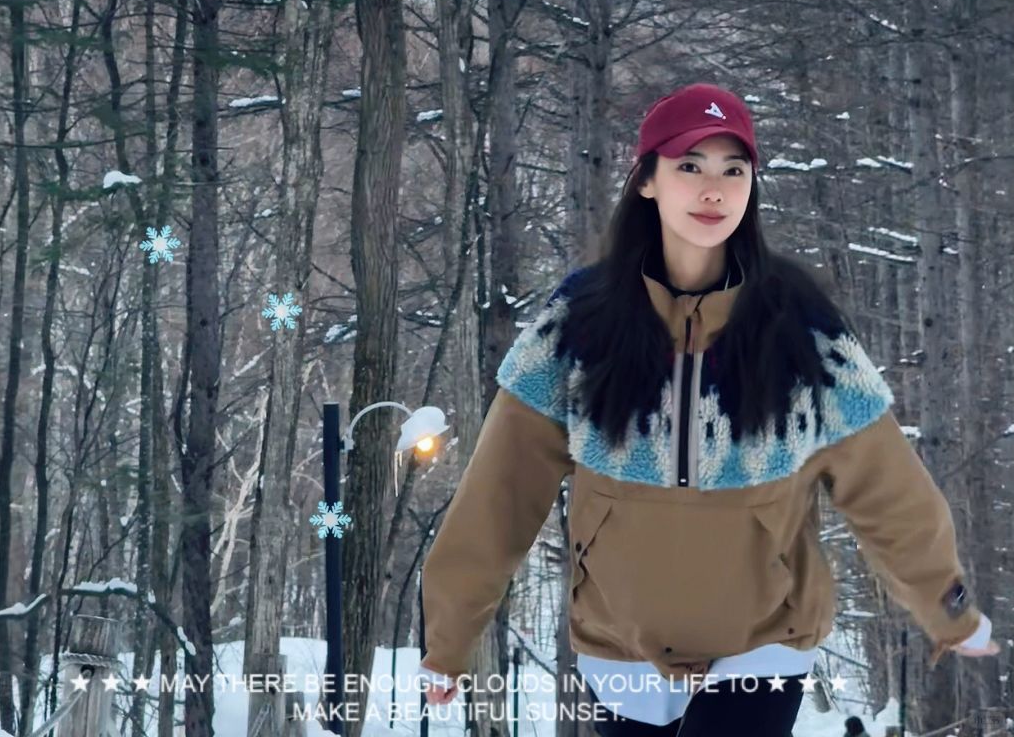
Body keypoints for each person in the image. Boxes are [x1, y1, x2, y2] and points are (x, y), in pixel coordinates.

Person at [416, 84, 998, 735]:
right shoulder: (581, 320)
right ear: (647, 182)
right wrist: (450, 635)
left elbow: (884, 483)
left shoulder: (800, 324)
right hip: (620, 645)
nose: (712, 190)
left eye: (733, 170)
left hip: (764, 640)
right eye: (689, 167)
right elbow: (502, 488)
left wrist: (948, 605)